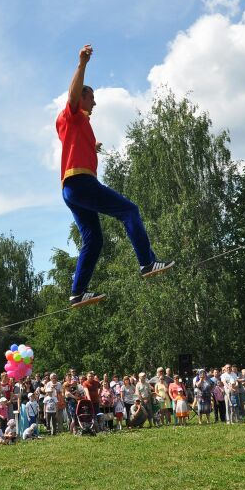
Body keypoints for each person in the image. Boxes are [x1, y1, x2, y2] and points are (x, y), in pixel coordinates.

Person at [56, 44, 174, 307]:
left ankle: (78, 292)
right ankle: (147, 262)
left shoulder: (80, 125)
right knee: (129, 211)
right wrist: (82, 64)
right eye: (92, 97)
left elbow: (75, 145)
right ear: (82, 98)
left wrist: (92, 147)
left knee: (94, 239)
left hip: (72, 190)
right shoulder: (73, 115)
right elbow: (73, 95)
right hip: (81, 183)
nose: (94, 102)